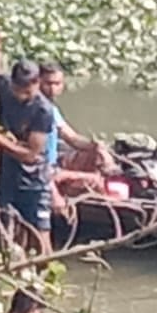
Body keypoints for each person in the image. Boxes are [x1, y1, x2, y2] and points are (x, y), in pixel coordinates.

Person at [0, 60, 56, 250]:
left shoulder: (43, 111)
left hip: (34, 181)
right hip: (7, 175)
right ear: (12, 84)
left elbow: (31, 155)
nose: (22, 95)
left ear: (37, 83)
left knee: (40, 235)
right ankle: (16, 266)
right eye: (19, 90)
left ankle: (45, 270)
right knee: (9, 227)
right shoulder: (4, 86)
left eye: (28, 91)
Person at [39, 62, 117, 205]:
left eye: (57, 84)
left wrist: (96, 146)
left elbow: (72, 138)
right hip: (44, 169)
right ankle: (109, 203)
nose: (52, 88)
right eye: (48, 83)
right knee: (97, 181)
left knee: (95, 154)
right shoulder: (38, 108)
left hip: (54, 163)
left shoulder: (52, 109)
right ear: (38, 82)